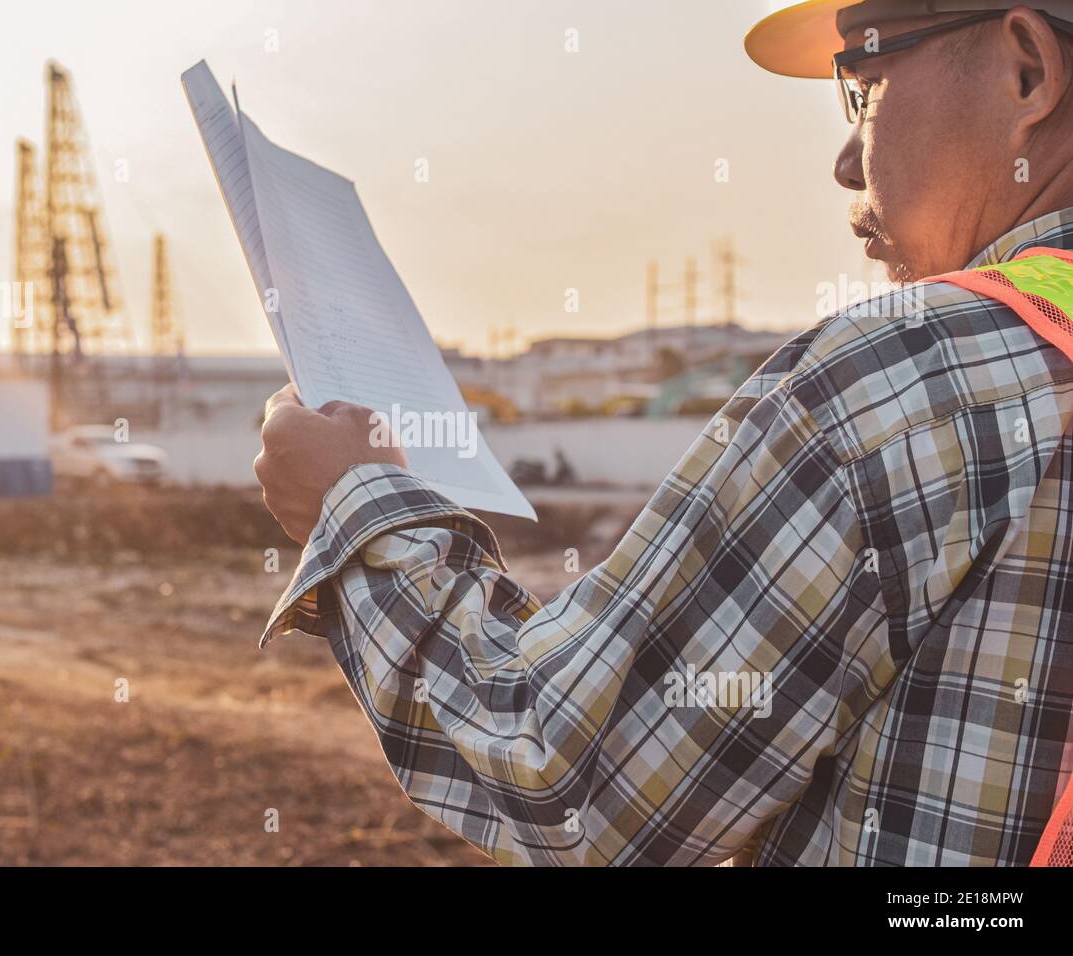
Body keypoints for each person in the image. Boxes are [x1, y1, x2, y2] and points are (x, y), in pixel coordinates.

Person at [252, 1, 1073, 865]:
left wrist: (357, 505)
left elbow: (568, 782)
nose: (844, 162)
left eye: (864, 88)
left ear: (1027, 72)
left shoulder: (903, 378)